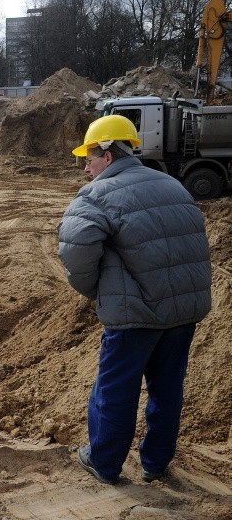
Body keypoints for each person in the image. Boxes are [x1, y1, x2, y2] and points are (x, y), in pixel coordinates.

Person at [58, 114, 212, 485]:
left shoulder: (96, 195)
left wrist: (98, 291)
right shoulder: (173, 185)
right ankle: (155, 463)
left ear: (108, 156)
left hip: (135, 316)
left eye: (88, 159)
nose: (84, 169)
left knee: (114, 392)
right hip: (182, 313)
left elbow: (76, 253)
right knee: (167, 389)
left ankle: (105, 463)